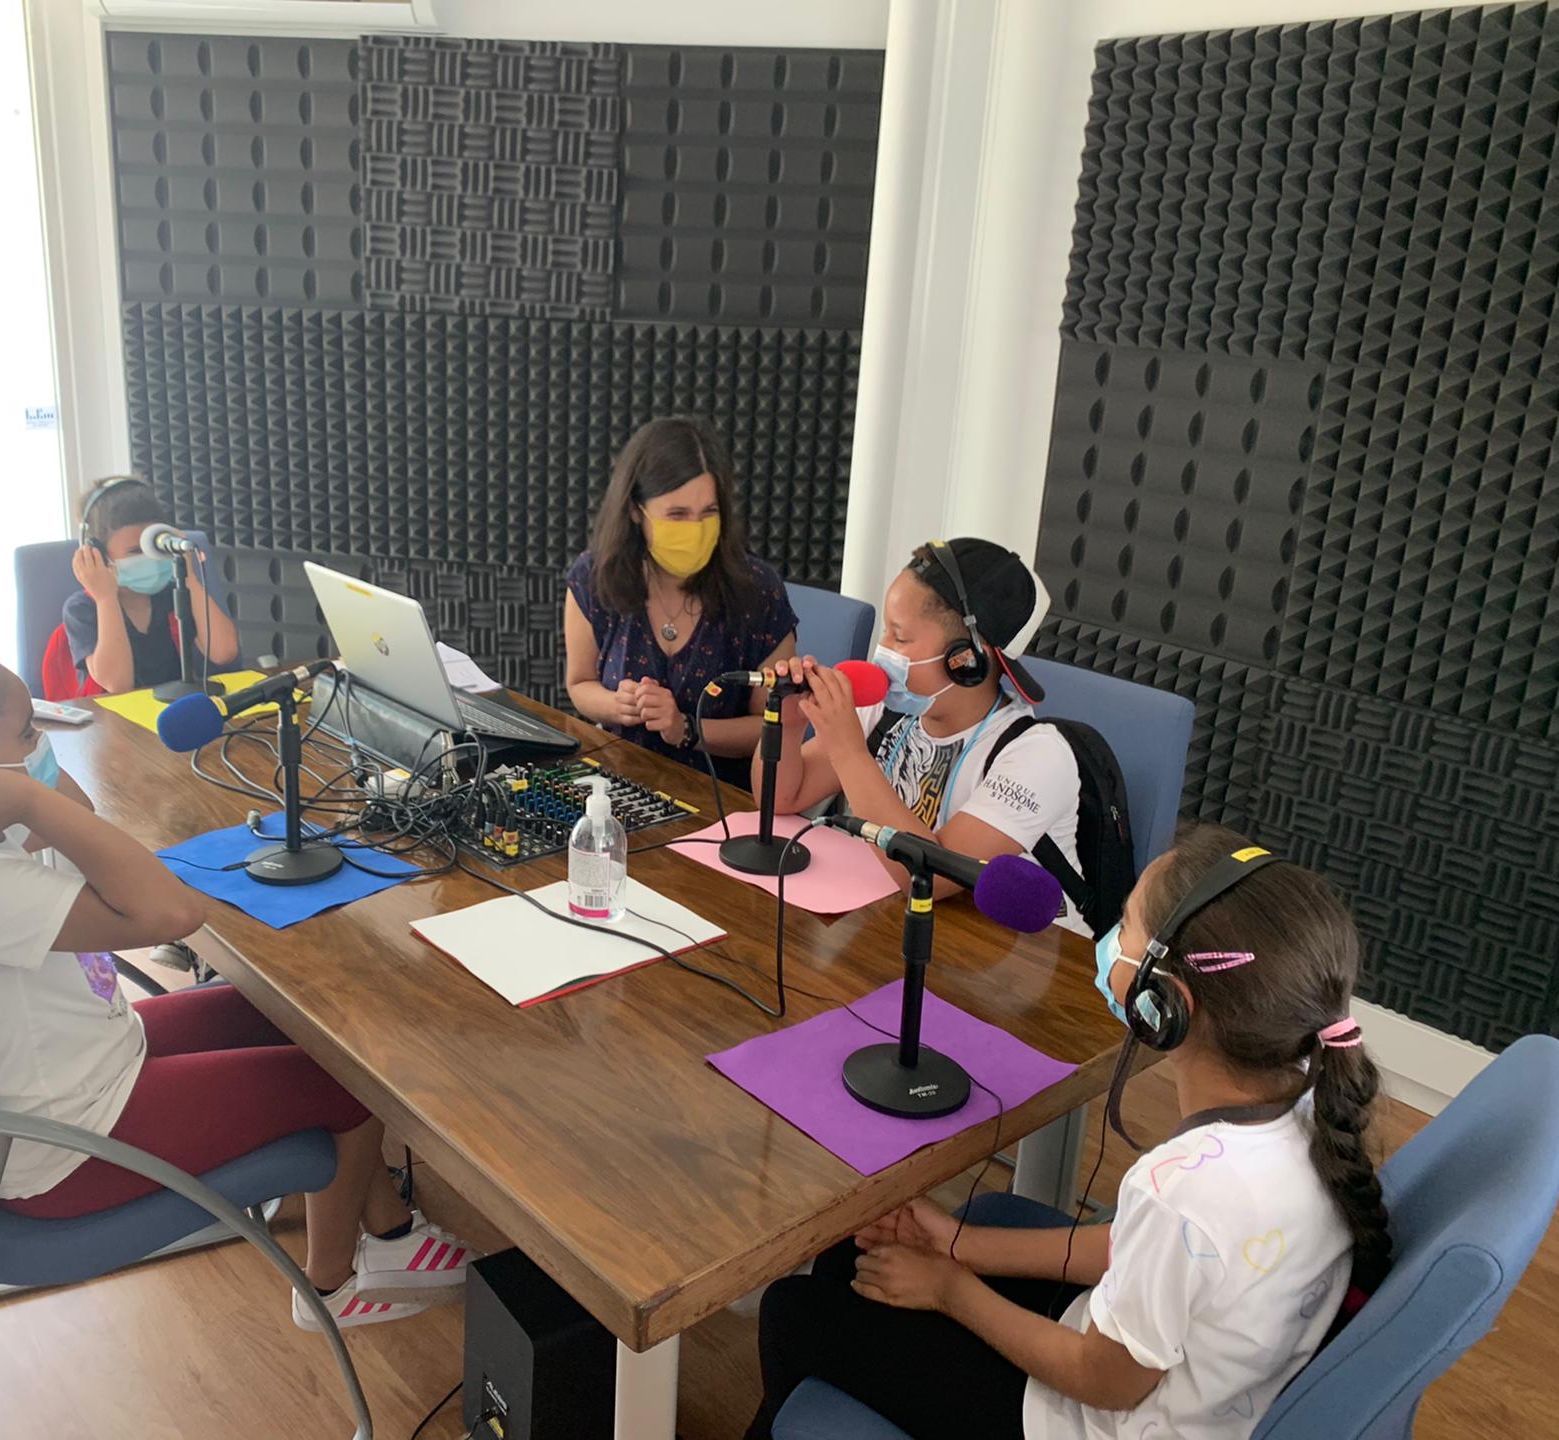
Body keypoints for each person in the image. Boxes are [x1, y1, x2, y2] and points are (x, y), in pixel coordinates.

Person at [0, 627, 470, 1330]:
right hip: (70, 1146)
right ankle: (332, 1287)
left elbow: (79, 816)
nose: (41, 741)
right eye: (26, 731)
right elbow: (171, 913)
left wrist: (25, 790)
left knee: (311, 1021)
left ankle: (390, 1233)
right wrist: (30, 801)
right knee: (352, 1080)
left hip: (81, 1072)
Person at [748, 825, 1391, 1439]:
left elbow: (1103, 1381)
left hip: (1084, 1417)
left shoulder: (1182, 1193)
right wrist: (958, 1245)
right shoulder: (1309, 1101)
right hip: (1158, 1380)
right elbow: (1143, 1252)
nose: (1110, 941)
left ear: (1168, 1001)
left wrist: (950, 1289)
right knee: (847, 1261)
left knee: (792, 1311)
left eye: (1127, 926)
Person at [759, 539, 1090, 932]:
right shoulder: (887, 711)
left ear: (966, 658)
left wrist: (848, 751)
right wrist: (790, 723)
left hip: (1017, 954)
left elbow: (935, 878)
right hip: (902, 924)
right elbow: (782, 798)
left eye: (899, 637)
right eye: (885, 631)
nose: (882, 649)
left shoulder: (1037, 755)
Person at [564, 416, 798, 787]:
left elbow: (771, 726)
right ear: (635, 511)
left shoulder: (759, 591)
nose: (695, 529)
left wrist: (686, 728)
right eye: (677, 515)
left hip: (719, 797)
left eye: (709, 513)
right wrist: (617, 706)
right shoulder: (595, 577)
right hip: (620, 783)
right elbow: (579, 684)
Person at [66, 476, 240, 694]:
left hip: (178, 707)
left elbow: (224, 652)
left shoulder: (175, 592)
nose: (148, 558)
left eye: (153, 546)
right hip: (119, 715)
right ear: (98, 554)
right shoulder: (82, 609)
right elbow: (118, 684)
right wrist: (106, 599)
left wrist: (189, 578)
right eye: (135, 551)